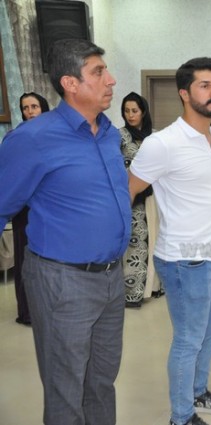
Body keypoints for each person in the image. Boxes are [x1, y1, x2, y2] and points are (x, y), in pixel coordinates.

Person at [0, 39, 131, 425]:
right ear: (70, 83)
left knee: (102, 381)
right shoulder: (32, 139)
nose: (111, 79)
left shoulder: (109, 133)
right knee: (65, 387)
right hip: (62, 280)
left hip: (111, 276)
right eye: (98, 72)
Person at [129, 57, 211, 425]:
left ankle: (196, 392)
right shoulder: (163, 143)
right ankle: (181, 416)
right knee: (189, 339)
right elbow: (129, 190)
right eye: (204, 85)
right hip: (184, 260)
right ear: (184, 94)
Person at [119, 91, 161, 307]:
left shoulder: (154, 137)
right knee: (136, 243)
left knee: (155, 241)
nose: (130, 115)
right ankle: (132, 292)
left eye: (134, 110)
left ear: (143, 112)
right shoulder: (120, 136)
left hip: (154, 197)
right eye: (126, 111)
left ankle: (152, 287)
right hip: (132, 196)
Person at [12, 92, 50, 326]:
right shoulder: (16, 137)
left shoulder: (55, 135)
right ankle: (27, 312)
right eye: (25, 108)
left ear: (43, 108)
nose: (30, 111)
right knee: (26, 260)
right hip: (24, 207)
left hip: (50, 206)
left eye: (34, 106)